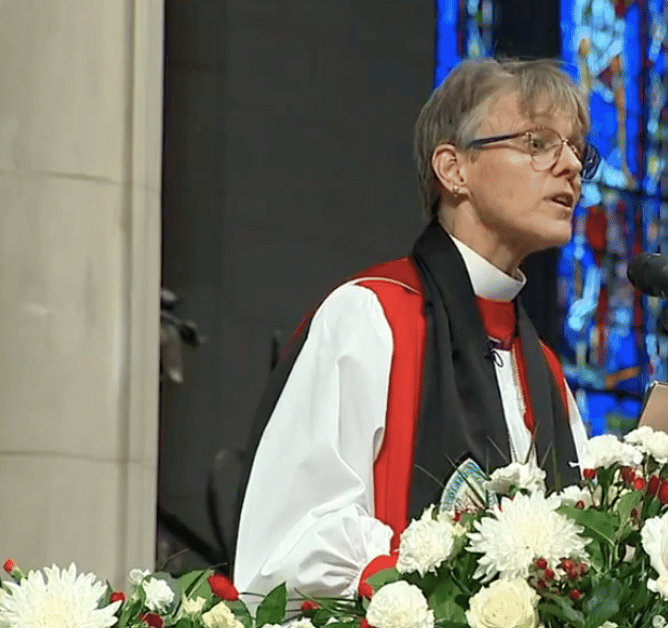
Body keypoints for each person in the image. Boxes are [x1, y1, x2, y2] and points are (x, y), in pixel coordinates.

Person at [233, 57, 599, 600]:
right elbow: (290, 542)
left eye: (576, 149)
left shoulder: (543, 371)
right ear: (454, 169)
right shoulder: (369, 319)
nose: (569, 165)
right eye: (538, 142)